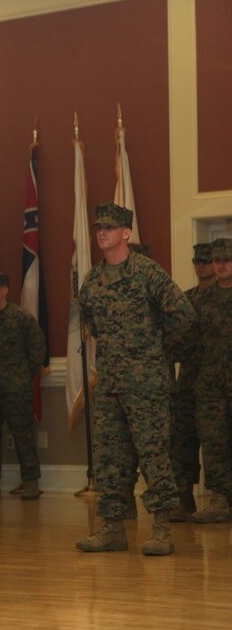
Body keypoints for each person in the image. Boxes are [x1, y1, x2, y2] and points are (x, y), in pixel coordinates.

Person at [76, 203, 194, 556]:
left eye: (109, 228)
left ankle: (160, 529)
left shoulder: (147, 273)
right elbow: (91, 324)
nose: (101, 232)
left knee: (154, 455)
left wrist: (158, 351)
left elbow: (184, 316)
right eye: (98, 227)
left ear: (126, 233)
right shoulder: (93, 281)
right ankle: (112, 528)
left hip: (147, 386)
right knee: (110, 458)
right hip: (110, 384)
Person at [0, 272, 46, 500]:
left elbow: (37, 350)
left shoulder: (21, 317)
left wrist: (21, 377)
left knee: (23, 436)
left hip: (16, 389)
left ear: (5, 290)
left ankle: (30, 482)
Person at [169, 242, 215, 520]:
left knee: (217, 441)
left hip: (218, 383)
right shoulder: (185, 300)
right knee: (183, 441)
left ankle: (222, 498)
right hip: (188, 382)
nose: (201, 266)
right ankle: (184, 496)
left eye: (206, 261)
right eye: (197, 261)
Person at [189, 237, 232, 524]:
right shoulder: (202, 299)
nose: (219, 265)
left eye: (226, 260)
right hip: (210, 385)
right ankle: (220, 498)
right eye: (216, 260)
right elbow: (190, 341)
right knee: (214, 442)